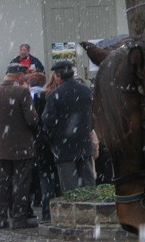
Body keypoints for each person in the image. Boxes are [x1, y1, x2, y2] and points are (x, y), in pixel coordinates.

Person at [0, 63, 39, 230]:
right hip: (22, 145)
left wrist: (4, 130)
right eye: (23, 75)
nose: (24, 78)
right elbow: (32, 119)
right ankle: (19, 218)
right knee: (21, 183)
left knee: (4, 183)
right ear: (18, 76)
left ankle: (0, 218)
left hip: (3, 146)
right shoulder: (22, 92)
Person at [41, 61, 95, 194]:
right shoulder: (86, 91)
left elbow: (48, 121)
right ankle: (90, 212)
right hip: (84, 144)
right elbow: (94, 116)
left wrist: (52, 140)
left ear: (58, 76)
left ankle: (74, 213)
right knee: (89, 188)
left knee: (70, 190)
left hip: (64, 147)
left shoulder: (55, 95)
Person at [32, 72, 61, 221]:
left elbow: (36, 121)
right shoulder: (59, 95)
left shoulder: (40, 97)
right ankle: (58, 211)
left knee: (46, 179)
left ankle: (47, 211)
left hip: (43, 143)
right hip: (58, 144)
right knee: (59, 178)